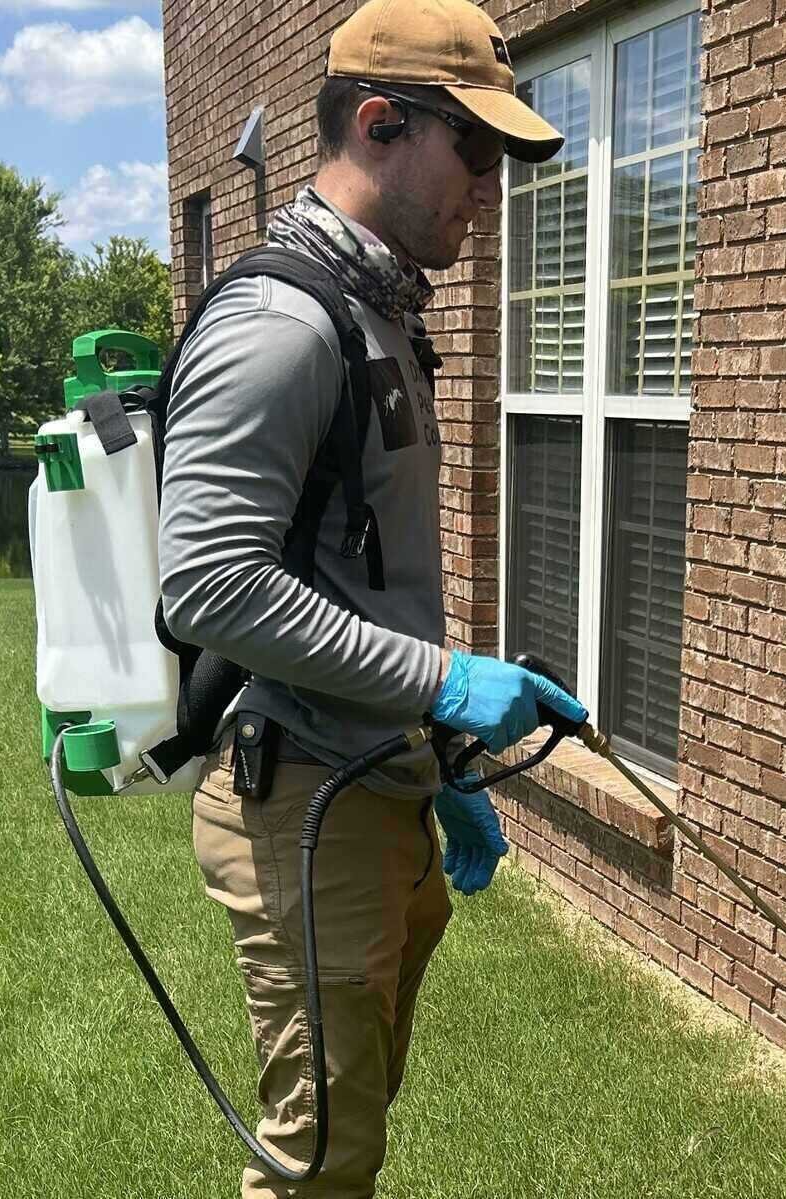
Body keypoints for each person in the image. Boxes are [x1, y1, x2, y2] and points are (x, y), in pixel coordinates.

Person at [157, 0, 586, 1194]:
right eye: (480, 153)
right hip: (301, 797)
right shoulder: (282, 324)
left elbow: (363, 577)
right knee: (319, 1164)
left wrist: (441, 755)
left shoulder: (379, 317)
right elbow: (206, 580)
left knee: (354, 1128)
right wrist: (447, 679)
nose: (488, 192)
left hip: (377, 782)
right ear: (383, 123)